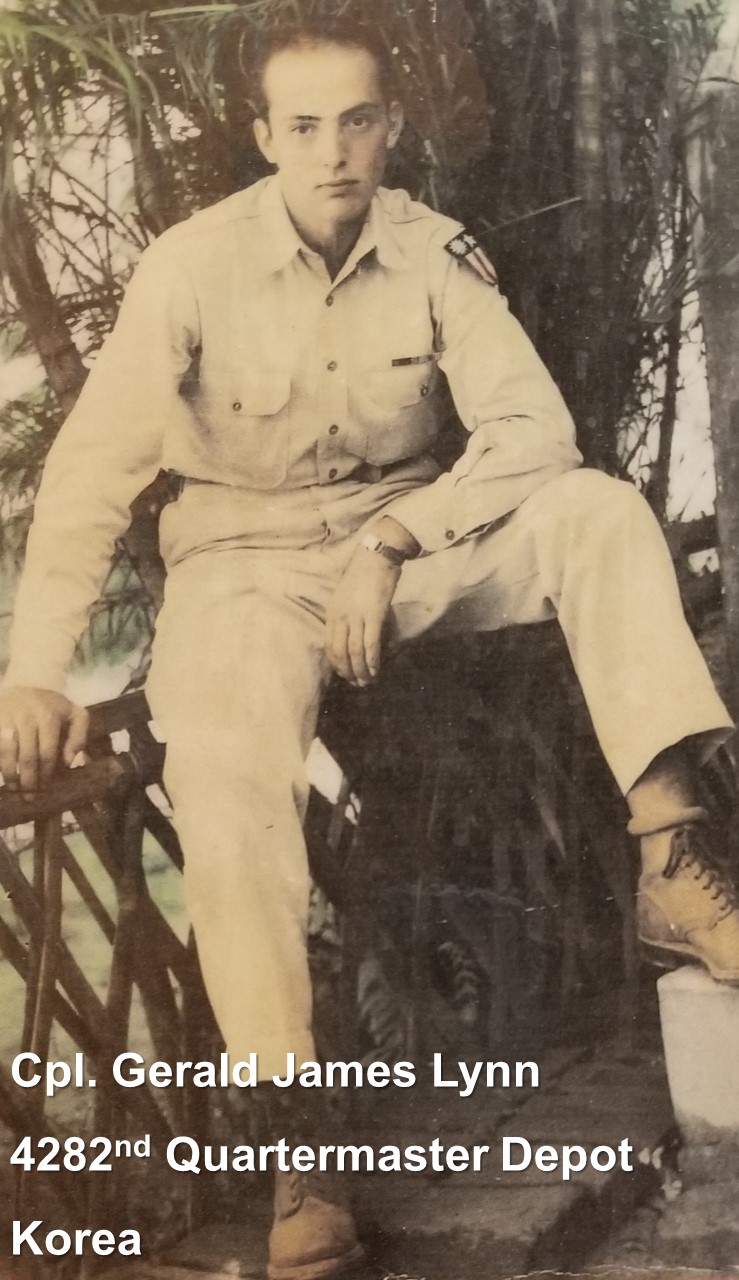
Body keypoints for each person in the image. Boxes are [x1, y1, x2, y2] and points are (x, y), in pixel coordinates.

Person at [1, 18, 738, 1280]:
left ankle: (677, 860)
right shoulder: (192, 266)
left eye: (356, 121)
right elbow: (89, 476)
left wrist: (397, 536)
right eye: (303, 126)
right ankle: (297, 1149)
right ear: (263, 137)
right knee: (224, 766)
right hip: (244, 568)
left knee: (600, 513)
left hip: (398, 550)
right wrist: (30, 671)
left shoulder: (430, 249)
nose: (333, 151)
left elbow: (534, 429)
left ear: (390, 128)